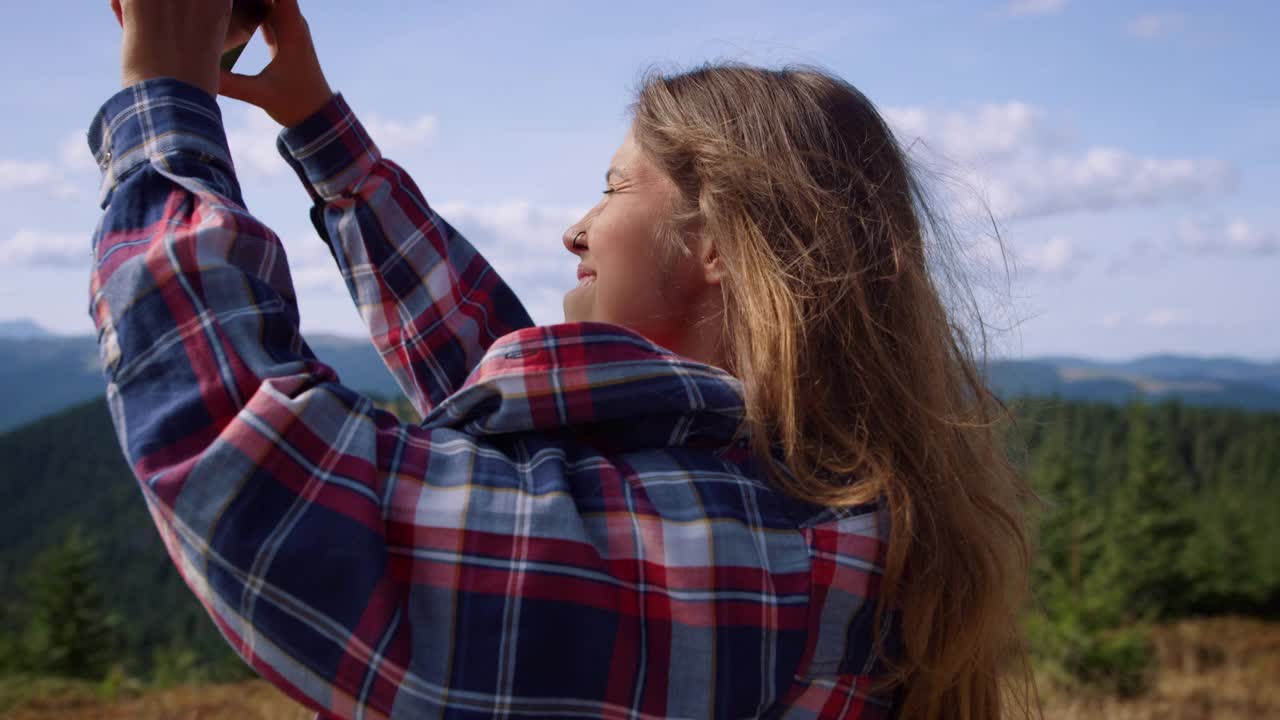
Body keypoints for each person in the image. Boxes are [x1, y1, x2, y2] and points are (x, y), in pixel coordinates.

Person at [93, 1, 1034, 718]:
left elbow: (259, 476)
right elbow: (505, 393)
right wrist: (317, 128)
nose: (576, 227)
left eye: (614, 186)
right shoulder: (794, 495)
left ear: (719, 247)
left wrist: (163, 98)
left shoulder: (760, 559)